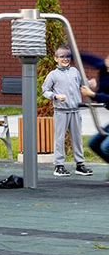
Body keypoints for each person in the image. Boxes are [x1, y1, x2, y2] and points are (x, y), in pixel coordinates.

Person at [42, 45, 95, 178]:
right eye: (62, 56)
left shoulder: (75, 71)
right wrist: (55, 96)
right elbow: (45, 91)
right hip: (61, 111)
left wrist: (90, 84)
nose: (65, 59)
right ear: (56, 59)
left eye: (68, 56)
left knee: (77, 138)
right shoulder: (53, 75)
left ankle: (80, 165)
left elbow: (83, 85)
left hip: (75, 110)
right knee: (59, 139)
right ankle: (59, 166)